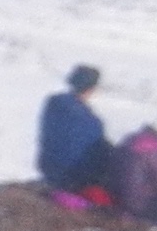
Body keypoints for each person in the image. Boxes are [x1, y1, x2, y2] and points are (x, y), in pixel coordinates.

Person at [37, 63, 112, 197]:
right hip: (74, 176)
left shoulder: (53, 103)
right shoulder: (90, 121)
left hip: (48, 167)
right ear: (91, 88)